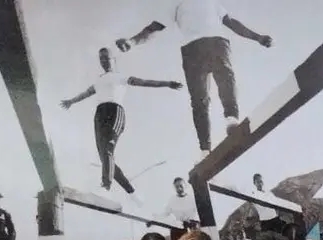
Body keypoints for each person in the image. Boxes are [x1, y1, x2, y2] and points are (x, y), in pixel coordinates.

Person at [114, 3, 274, 154]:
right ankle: (205, 149)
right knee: (199, 99)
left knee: (225, 75)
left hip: (216, 42)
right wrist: (132, 41)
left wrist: (258, 37)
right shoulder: (176, 4)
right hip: (192, 49)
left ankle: (231, 119)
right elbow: (154, 28)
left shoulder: (212, 3)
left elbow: (232, 23)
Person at [60, 48, 183, 197]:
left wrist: (167, 83)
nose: (104, 61)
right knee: (105, 157)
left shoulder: (121, 77)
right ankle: (131, 191)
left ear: (114, 59)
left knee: (108, 151)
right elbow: (86, 93)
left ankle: (106, 186)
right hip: (100, 114)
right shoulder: (99, 80)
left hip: (114, 111)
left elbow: (144, 82)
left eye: (106, 58)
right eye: (101, 59)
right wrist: (71, 101)